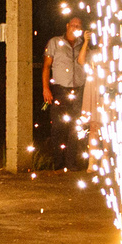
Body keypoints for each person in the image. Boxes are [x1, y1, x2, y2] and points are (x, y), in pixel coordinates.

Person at [41, 16, 86, 164]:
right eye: (73, 25)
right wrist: (46, 88)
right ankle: (58, 163)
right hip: (60, 89)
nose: (75, 28)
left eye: (78, 26)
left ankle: (71, 163)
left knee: (75, 126)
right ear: (67, 26)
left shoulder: (82, 44)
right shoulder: (55, 42)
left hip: (78, 89)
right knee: (58, 126)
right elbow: (47, 66)